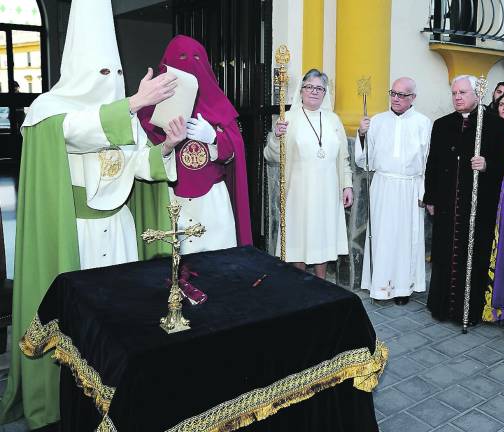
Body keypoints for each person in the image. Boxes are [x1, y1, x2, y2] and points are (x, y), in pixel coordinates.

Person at [0, 0, 183, 427]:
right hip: (75, 234)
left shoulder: (122, 112)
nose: (111, 82)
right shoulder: (50, 110)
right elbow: (79, 133)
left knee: (119, 317)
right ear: (81, 69)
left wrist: (167, 147)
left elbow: (139, 163)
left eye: (116, 75)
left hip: (119, 228)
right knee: (79, 322)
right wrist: (134, 102)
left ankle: (117, 387)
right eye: (103, 73)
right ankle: (71, 397)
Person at [139, 35, 252, 254]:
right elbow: (142, 156)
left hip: (213, 201)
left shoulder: (218, 104)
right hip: (170, 198)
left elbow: (234, 153)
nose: (189, 62)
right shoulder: (149, 107)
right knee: (175, 266)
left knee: (216, 265)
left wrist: (214, 139)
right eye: (180, 57)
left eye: (196, 58)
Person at [423, 75, 504, 325]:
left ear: (476, 94)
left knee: (474, 255)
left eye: (462, 92)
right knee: (443, 254)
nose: (457, 97)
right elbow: (433, 164)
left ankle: (469, 311)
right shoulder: (442, 124)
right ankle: (440, 307)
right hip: (447, 203)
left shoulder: (494, 124)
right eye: (454, 93)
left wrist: (487, 165)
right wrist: (430, 197)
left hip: (478, 205)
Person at [265, 69, 353, 279]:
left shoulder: (333, 120)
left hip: (329, 189)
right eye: (309, 87)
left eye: (319, 88)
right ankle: (299, 284)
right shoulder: (288, 119)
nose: (314, 91)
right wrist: (277, 137)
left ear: (325, 93)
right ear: (301, 90)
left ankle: (321, 284)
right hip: (299, 190)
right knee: (300, 235)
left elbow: (344, 157)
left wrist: (347, 184)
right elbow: (272, 156)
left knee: (323, 234)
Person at [355, 77, 431, 305]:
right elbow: (364, 160)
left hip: (410, 187)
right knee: (382, 236)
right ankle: (379, 286)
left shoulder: (423, 122)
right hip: (384, 186)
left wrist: (424, 192)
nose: (396, 99)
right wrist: (361, 134)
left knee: (406, 239)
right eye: (393, 93)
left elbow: (428, 161)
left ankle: (402, 289)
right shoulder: (377, 121)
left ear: (413, 98)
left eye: (402, 95)